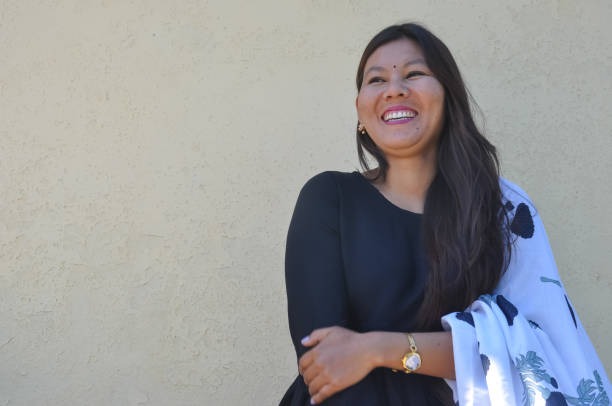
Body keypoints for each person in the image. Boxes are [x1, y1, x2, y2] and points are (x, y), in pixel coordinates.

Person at [279, 23, 611, 406]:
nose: (394, 89)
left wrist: (377, 348)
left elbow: (535, 341)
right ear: (359, 110)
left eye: (414, 74)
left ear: (448, 96)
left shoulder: (498, 210)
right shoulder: (329, 198)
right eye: (376, 79)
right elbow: (324, 361)